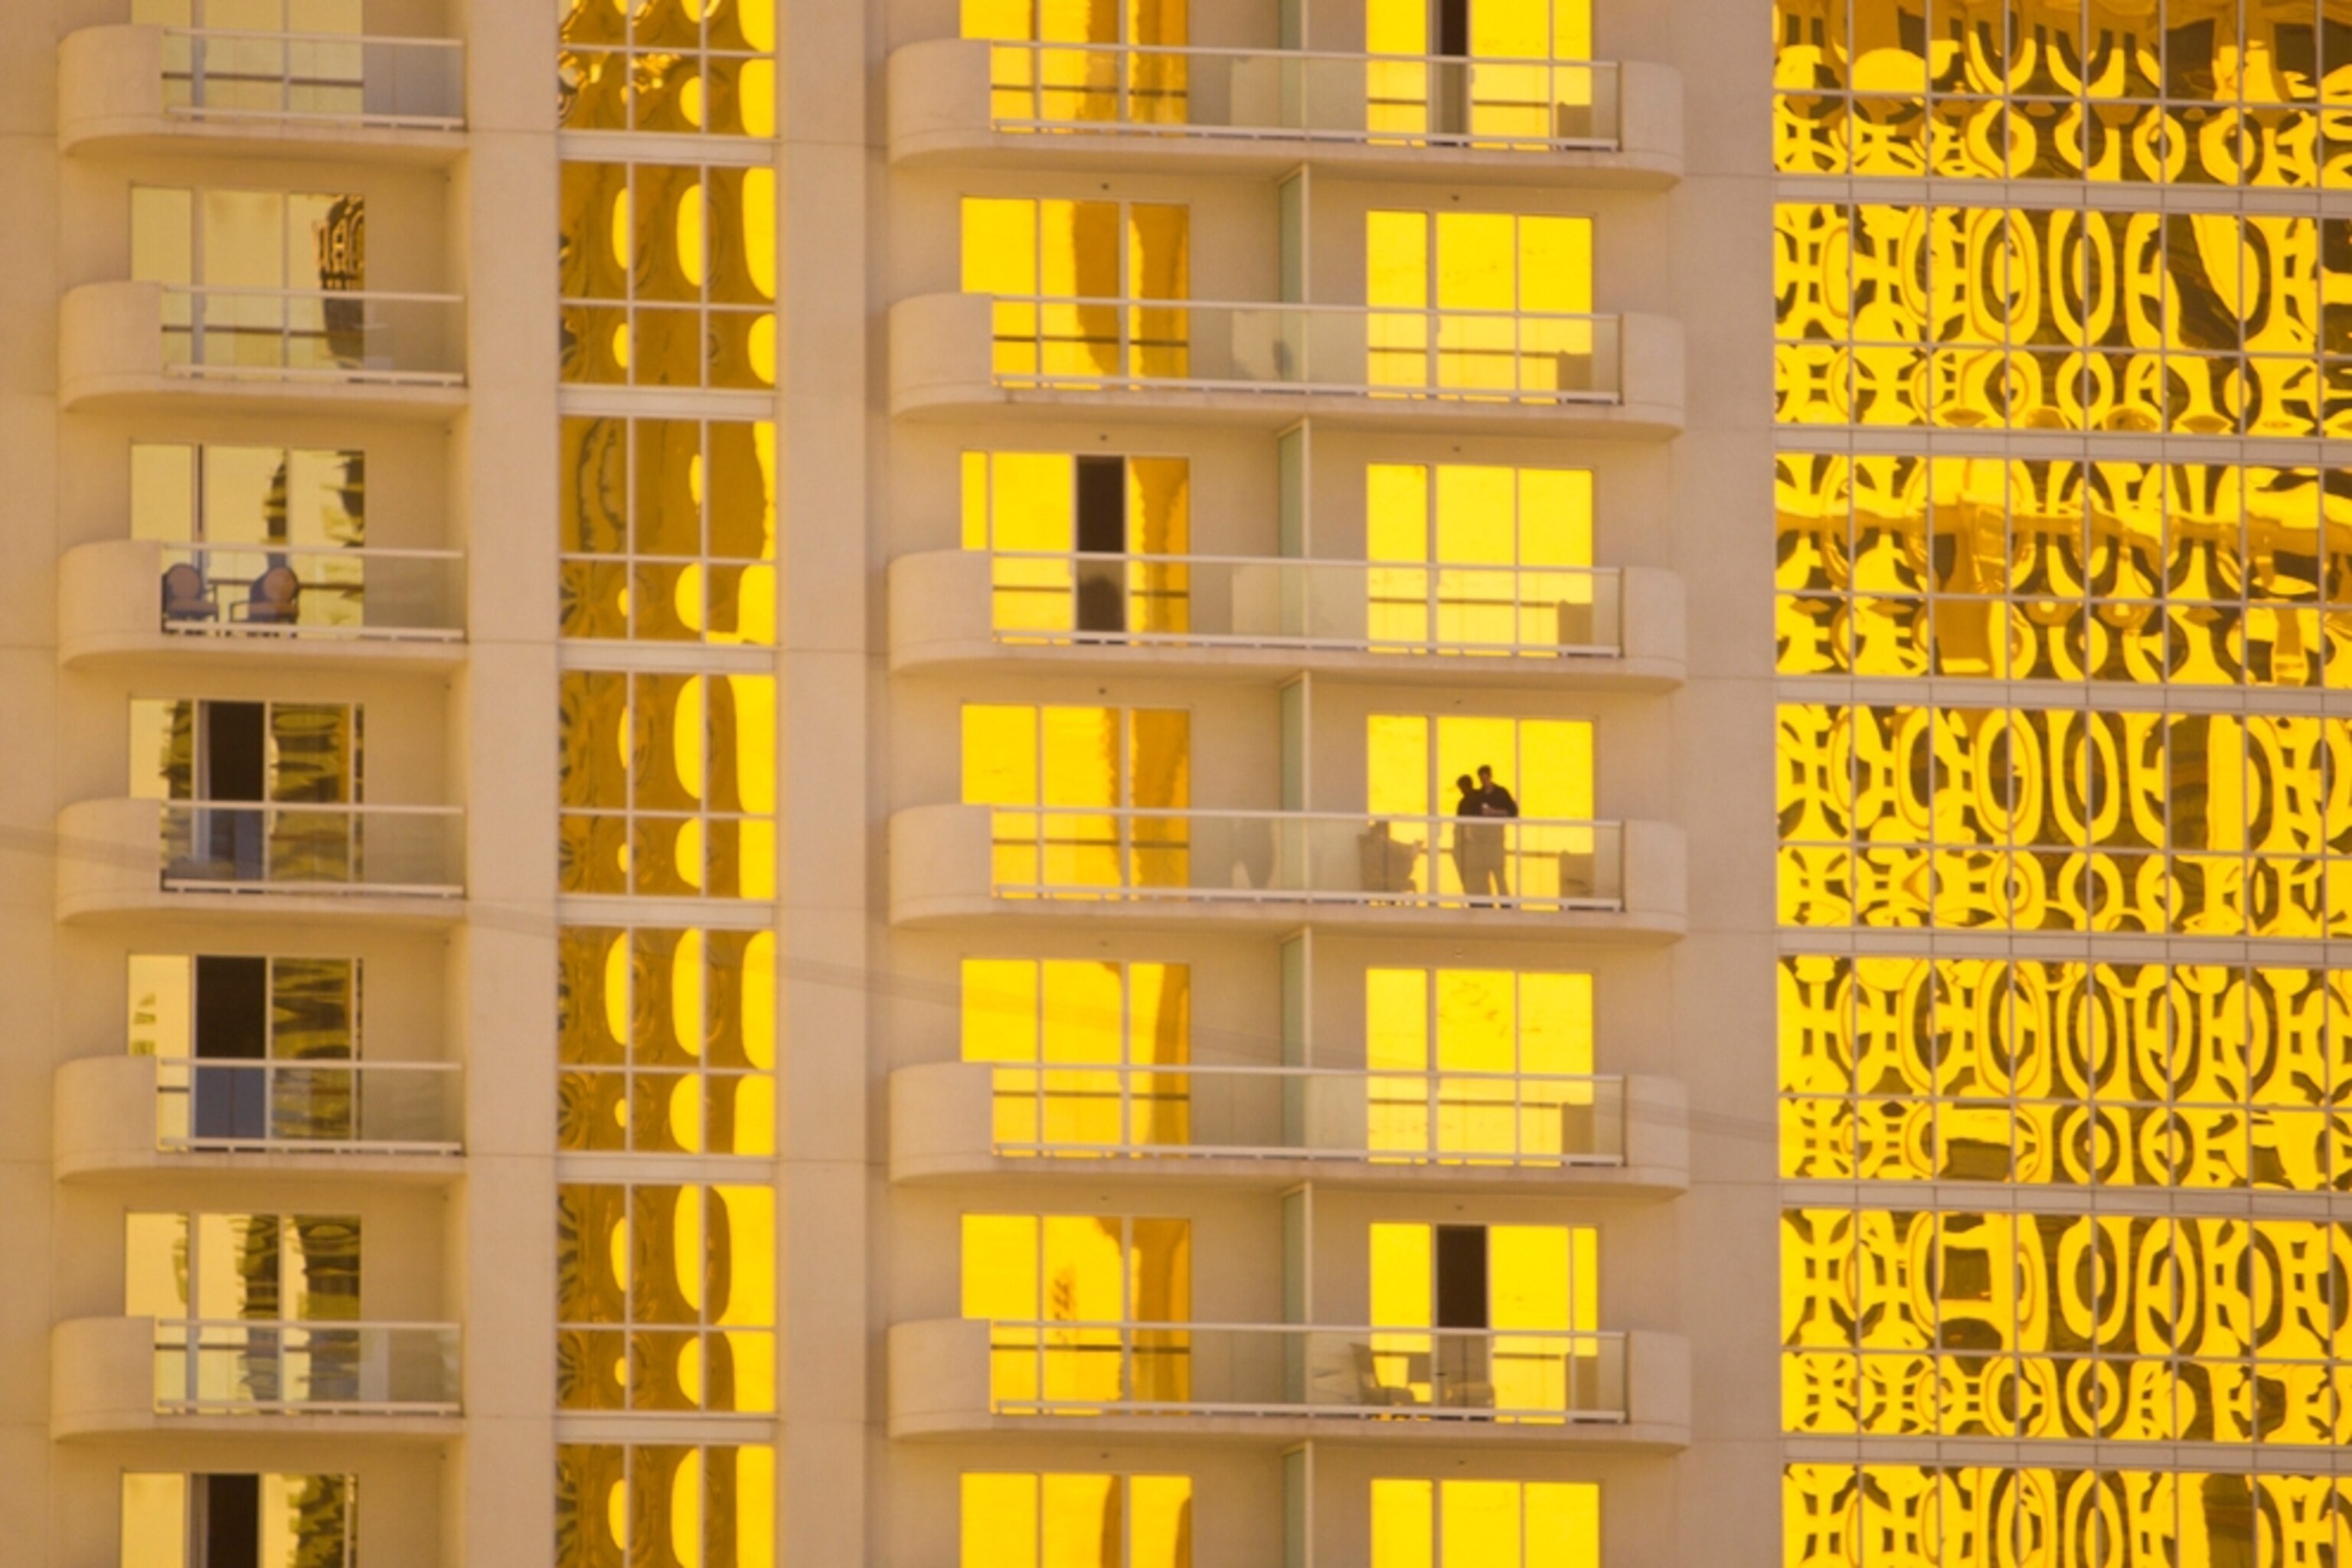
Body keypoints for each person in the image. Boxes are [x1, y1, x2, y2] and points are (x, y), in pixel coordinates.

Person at [1471, 766, 1517, 900]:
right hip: (1482, 840)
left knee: (1499, 872)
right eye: (1482, 779)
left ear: (1490, 777)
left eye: (1486, 778)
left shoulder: (1501, 793)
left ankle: (1505, 903)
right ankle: (1487, 902)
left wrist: (1495, 812)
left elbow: (1513, 812)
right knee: (1483, 874)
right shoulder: (1478, 795)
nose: (1484, 782)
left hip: (1496, 839)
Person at [1450, 775, 1488, 897]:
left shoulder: (1466, 802)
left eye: (1461, 788)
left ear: (1464, 787)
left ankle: (1474, 896)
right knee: (1479, 877)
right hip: (1476, 844)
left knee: (1472, 876)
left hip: (1469, 845)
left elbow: (1461, 824)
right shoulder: (1479, 798)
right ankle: (1480, 897)